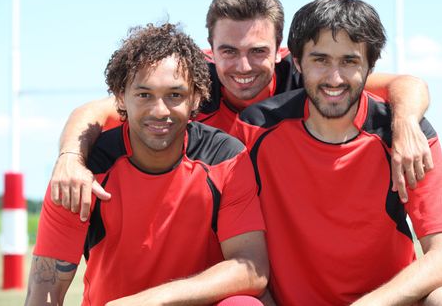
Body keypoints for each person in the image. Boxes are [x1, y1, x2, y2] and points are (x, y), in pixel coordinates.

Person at [51, 0, 433, 222]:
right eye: (229, 51)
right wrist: (69, 158)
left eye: (258, 51)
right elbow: (95, 111)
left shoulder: (313, 81)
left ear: (283, 52)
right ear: (210, 51)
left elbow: (404, 84)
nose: (243, 66)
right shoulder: (187, 89)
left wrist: (405, 127)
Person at [235, 0, 442, 306]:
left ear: (370, 66)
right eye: (320, 60)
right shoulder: (255, 129)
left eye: (349, 61)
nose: (334, 78)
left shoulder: (405, 136)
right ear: (297, 62)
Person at [25, 23, 269, 306]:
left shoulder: (225, 157)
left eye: (175, 95)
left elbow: (250, 267)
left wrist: (151, 300)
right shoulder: (83, 172)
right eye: (144, 95)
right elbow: (43, 293)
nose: (160, 110)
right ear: (120, 98)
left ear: (196, 99)